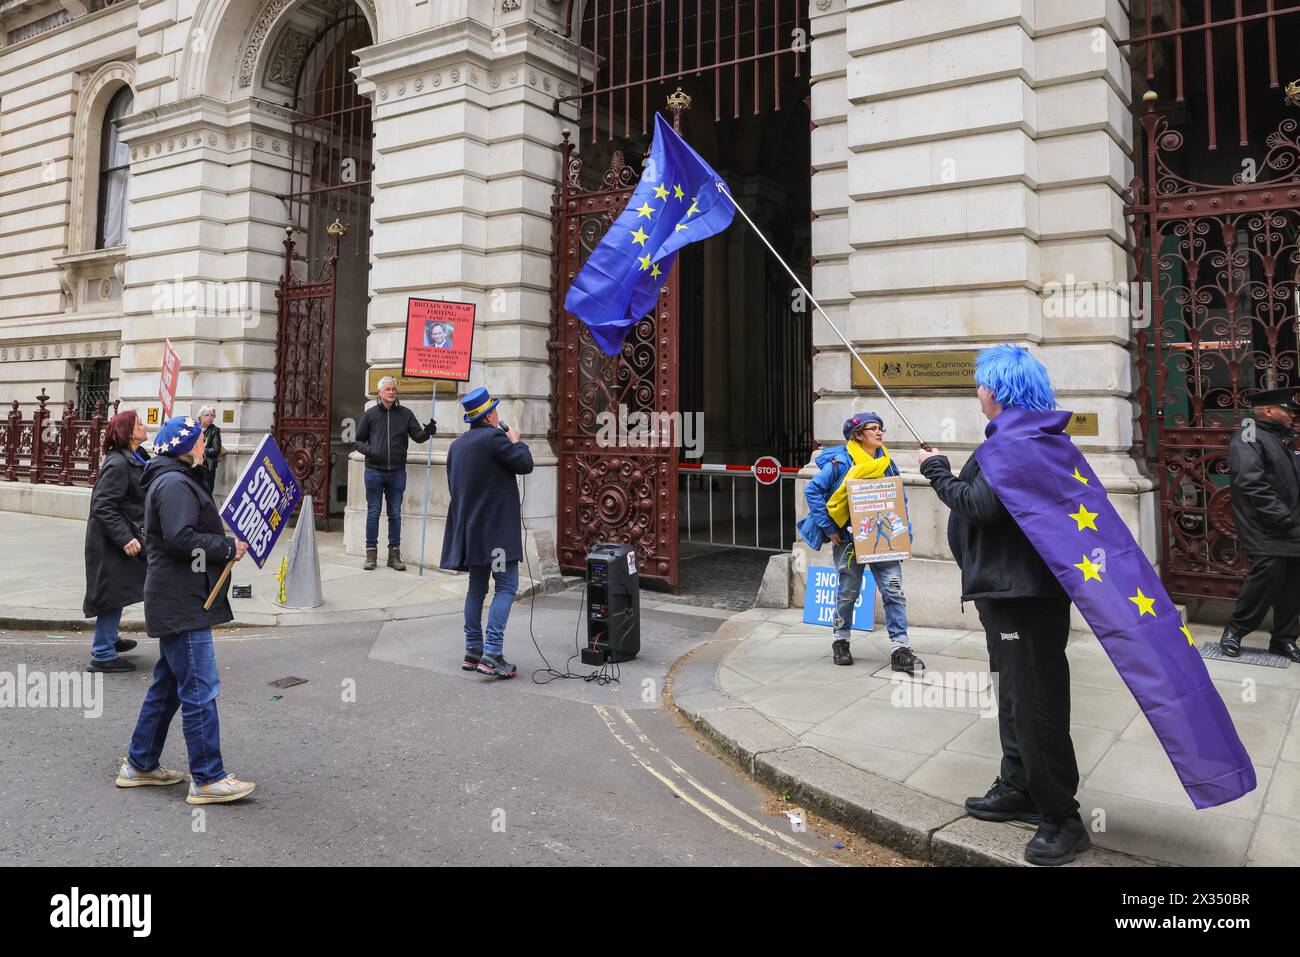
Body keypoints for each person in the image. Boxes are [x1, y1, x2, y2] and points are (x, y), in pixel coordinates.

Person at [918, 345, 1087, 865]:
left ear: (995, 390)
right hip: (1008, 595)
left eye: (980, 383)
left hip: (1023, 599)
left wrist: (936, 471)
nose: (977, 392)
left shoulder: (1015, 443)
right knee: (1016, 697)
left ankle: (1062, 816)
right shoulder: (1025, 437)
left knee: (1035, 705)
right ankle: (1019, 785)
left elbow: (980, 507)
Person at [116, 415, 254, 804]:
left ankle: (140, 764)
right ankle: (208, 778)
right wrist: (227, 548)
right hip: (182, 600)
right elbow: (180, 538)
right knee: (198, 686)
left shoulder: (171, 478)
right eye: (196, 441)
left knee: (170, 685)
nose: (202, 447)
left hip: (177, 596)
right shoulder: (175, 482)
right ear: (183, 446)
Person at [796, 412, 920, 674]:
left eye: (880, 428)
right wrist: (829, 527)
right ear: (858, 435)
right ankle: (841, 641)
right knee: (848, 592)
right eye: (873, 429)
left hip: (883, 541)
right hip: (849, 540)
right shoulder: (841, 462)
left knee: (894, 591)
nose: (879, 433)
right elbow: (812, 490)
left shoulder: (886, 462)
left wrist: (903, 532)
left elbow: (899, 497)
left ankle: (901, 648)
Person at [440, 387, 533, 679]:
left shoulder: (457, 446)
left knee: (476, 590)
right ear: (490, 414)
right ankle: (492, 653)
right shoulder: (495, 438)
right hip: (496, 535)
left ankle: (473, 650)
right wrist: (517, 441)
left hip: (471, 531)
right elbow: (525, 464)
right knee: (506, 587)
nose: (498, 414)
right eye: (496, 410)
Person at [1222, 387, 1300, 662]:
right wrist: (1282, 516)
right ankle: (1235, 630)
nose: (1293, 415)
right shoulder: (1249, 435)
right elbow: (1251, 482)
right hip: (1265, 525)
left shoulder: (1283, 438)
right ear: (1268, 410)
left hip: (1290, 524)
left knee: (1293, 581)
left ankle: (1284, 640)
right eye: (1288, 410)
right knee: (1267, 576)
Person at [83, 409, 149, 673]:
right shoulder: (118, 463)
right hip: (111, 541)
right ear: (129, 431)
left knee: (119, 591)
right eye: (140, 423)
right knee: (112, 593)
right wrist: (125, 538)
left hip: (123, 536)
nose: (145, 426)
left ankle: (108, 639)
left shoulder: (134, 457)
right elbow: (103, 505)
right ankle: (102, 653)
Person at [354, 376, 436, 570]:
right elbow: (357, 442)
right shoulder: (370, 415)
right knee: (373, 512)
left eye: (393, 389)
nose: (391, 392)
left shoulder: (405, 414)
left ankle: (394, 556)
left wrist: (428, 432)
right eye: (387, 389)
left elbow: (418, 437)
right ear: (380, 392)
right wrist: (372, 452)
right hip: (374, 471)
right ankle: (371, 555)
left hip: (397, 473)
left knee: (395, 514)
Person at [196, 405, 223, 498]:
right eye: (207, 415)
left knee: (206, 493)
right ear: (200, 417)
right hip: (194, 465)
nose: (210, 418)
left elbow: (216, 450)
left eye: (212, 415)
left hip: (207, 467)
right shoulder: (194, 428)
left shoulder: (214, 431)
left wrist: (201, 449)